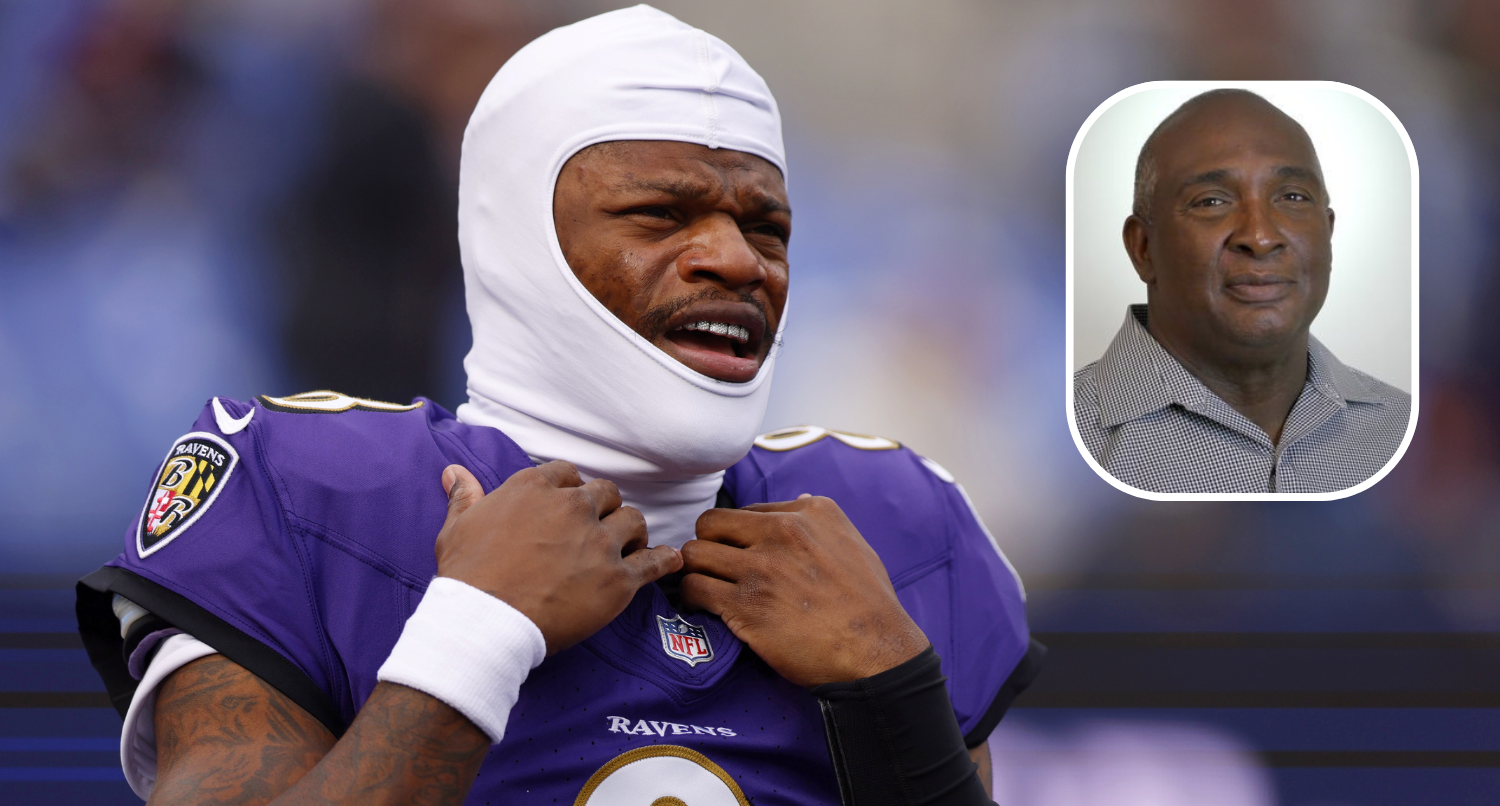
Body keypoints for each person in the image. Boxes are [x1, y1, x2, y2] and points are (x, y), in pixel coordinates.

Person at [76, 7, 1040, 805]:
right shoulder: (308, 496)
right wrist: (472, 641)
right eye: (662, 215)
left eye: (765, 225)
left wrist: (896, 703)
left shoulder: (896, 523)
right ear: (518, 244)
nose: (739, 261)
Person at [1073, 89, 1411, 494]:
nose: (1260, 236)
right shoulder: (1044, 450)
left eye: (1292, 197)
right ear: (1143, 248)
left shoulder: (1410, 435)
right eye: (1211, 201)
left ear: (1328, 233)